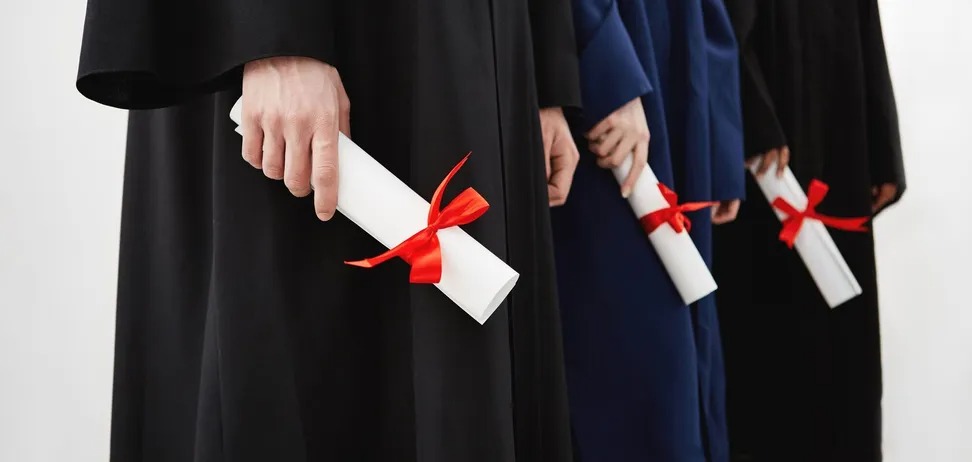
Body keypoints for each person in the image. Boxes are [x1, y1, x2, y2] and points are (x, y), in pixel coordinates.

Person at [75, 1, 583, 461]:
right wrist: (271, 34)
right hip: (318, 44)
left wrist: (544, 74)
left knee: (462, 379)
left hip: (479, 45)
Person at [551, 0, 746, 460]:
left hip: (673, 54)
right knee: (632, 332)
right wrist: (607, 68)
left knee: (687, 333)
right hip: (617, 43)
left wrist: (720, 143)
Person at [715, 1, 906, 461]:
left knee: (842, 346)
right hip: (769, 142)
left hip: (840, 128)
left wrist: (884, 147)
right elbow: (719, 21)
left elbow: (864, 16)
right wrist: (753, 118)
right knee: (769, 342)